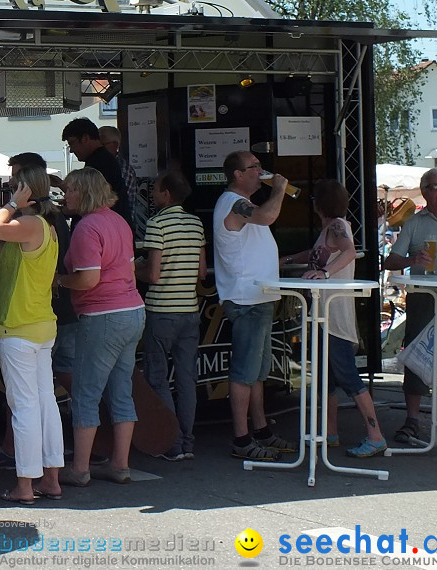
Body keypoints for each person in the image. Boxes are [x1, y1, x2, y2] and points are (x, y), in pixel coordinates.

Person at [280, 179, 387, 457]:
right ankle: (329, 432)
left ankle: (376, 435)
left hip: (335, 318)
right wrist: (288, 260)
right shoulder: (329, 228)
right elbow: (317, 254)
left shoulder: (339, 225)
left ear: (321, 202)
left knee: (348, 377)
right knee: (325, 379)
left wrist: (325, 273)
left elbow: (349, 251)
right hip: (323, 316)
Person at [56, 168, 145, 487]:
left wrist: (58, 281)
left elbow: (88, 279)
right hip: (133, 310)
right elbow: (131, 272)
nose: (65, 196)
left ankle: (79, 468)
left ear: (84, 192)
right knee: (121, 390)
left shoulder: (86, 226)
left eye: (69, 190)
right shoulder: (118, 221)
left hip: (102, 315)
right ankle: (120, 465)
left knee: (85, 392)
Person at [0, 164, 64, 504]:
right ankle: (51, 480)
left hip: (18, 327)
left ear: (25, 190)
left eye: (13, 187)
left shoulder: (29, 223)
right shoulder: (47, 226)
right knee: (46, 402)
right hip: (41, 324)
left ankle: (25, 485)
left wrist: (14, 204)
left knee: (25, 406)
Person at [214, 151, 296, 461]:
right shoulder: (233, 203)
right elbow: (266, 217)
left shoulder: (243, 203)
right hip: (246, 298)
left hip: (259, 296)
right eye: (254, 167)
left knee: (258, 372)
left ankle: (260, 430)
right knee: (245, 373)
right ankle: (241, 438)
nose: (260, 171)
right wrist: (278, 189)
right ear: (237, 174)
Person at [385, 167, 437, 447]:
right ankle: (412, 420)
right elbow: (390, 261)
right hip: (424, 295)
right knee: (417, 354)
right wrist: (412, 261)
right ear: (424, 192)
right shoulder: (415, 222)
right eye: (434, 187)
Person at [135, 170, 205, 461]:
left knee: (158, 377)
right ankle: (187, 441)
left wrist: (132, 269)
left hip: (161, 311)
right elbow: (202, 273)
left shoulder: (156, 223)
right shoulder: (196, 223)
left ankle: (171, 443)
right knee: (187, 379)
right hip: (190, 311)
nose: (152, 193)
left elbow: (153, 274)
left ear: (166, 194)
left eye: (156, 189)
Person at [60, 117, 131, 226]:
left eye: (73, 143)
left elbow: (92, 202)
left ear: (85, 138)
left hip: (102, 230)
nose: (72, 150)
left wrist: (62, 211)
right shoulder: (100, 159)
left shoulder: (100, 162)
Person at [99, 125, 139, 219]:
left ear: (115, 145)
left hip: (117, 221)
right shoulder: (106, 163)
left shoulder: (122, 168)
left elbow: (112, 201)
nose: (99, 148)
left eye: (103, 144)